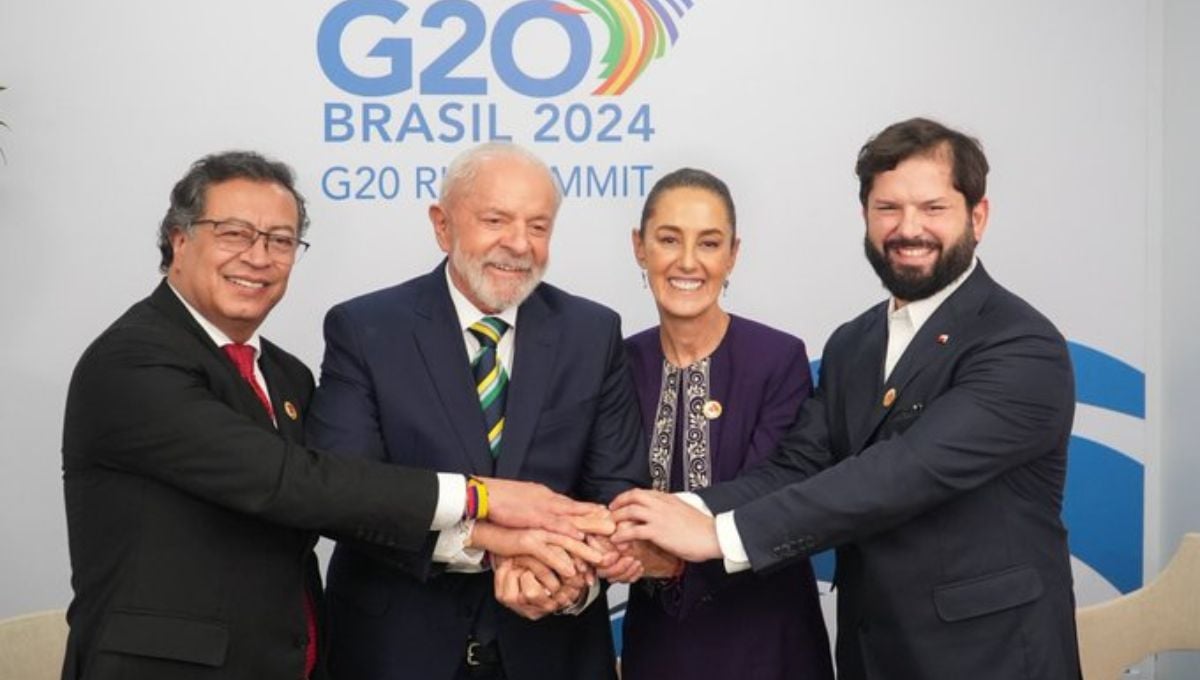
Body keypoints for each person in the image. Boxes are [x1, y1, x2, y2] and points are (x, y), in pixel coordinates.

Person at [60, 151, 602, 680]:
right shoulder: (132, 361)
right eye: (233, 234)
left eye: (280, 241)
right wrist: (485, 497)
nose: (258, 256)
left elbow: (337, 498)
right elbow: (291, 481)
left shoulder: (284, 374)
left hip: (288, 660)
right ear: (179, 240)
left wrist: (506, 543)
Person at [612, 118, 1082, 680]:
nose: (909, 229)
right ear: (865, 217)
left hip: (990, 659)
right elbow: (798, 467)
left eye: (933, 208)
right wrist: (676, 511)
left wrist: (718, 534)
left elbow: (902, 472)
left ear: (977, 217)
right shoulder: (854, 343)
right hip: (871, 656)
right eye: (889, 209)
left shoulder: (1021, 345)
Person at [306, 142, 647, 680]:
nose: (519, 244)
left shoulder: (592, 332)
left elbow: (616, 488)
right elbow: (347, 495)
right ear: (442, 225)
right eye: (496, 220)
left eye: (539, 226)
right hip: (395, 655)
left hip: (553, 650)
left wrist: (566, 578)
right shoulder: (365, 329)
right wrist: (493, 547)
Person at [618, 168, 833, 679]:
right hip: (659, 639)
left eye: (709, 243)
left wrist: (672, 518)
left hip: (767, 637)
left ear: (732, 254)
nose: (687, 262)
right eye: (669, 239)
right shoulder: (618, 364)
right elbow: (605, 486)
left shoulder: (777, 357)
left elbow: (778, 488)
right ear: (639, 247)